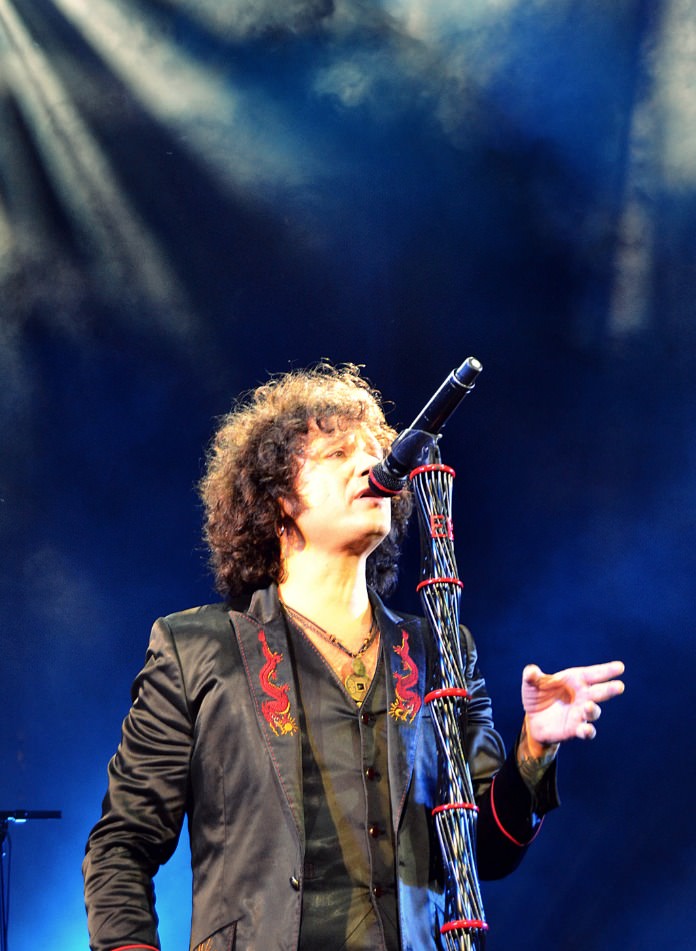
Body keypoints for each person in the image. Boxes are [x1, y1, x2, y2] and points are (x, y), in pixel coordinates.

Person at [83, 363, 625, 951]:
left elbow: (485, 854)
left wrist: (532, 750)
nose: (372, 466)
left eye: (376, 450)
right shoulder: (197, 648)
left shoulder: (442, 650)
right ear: (278, 499)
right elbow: (121, 847)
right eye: (339, 453)